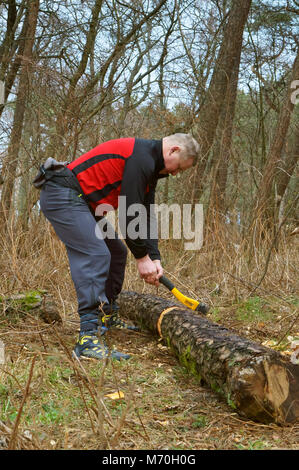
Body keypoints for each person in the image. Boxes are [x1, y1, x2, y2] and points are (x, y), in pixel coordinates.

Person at [35, 133, 200, 361]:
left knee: (115, 252)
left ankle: (106, 315)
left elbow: (145, 215)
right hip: (63, 193)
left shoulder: (150, 168)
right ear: (173, 150)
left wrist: (153, 256)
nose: (175, 174)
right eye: (179, 168)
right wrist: (141, 259)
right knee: (96, 253)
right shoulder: (141, 157)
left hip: (82, 200)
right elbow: (128, 212)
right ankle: (87, 338)